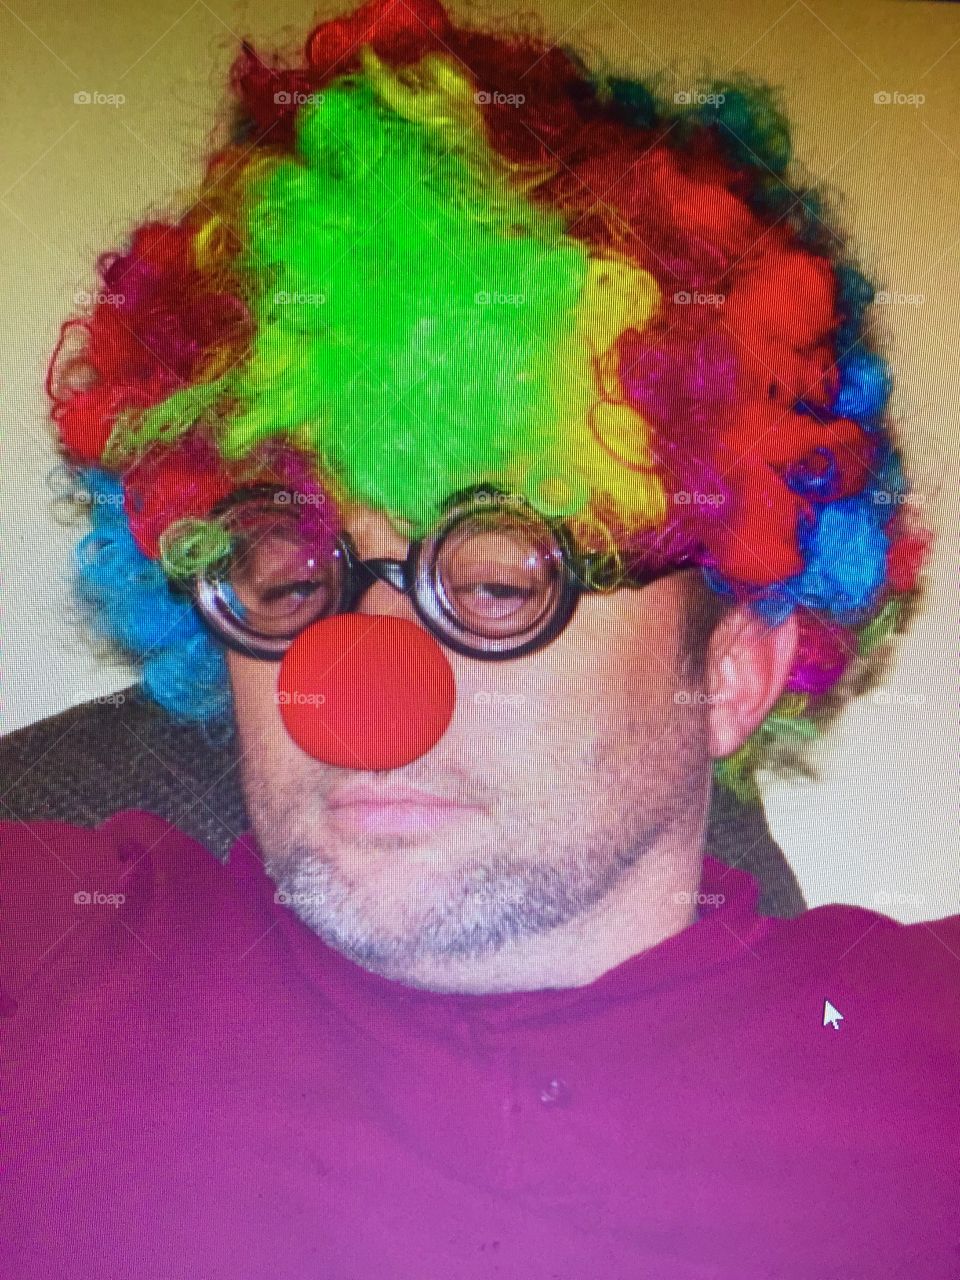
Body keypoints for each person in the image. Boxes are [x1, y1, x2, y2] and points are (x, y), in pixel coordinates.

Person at [2, 0, 956, 1275]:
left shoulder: (923, 1063)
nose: (354, 685)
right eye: (290, 570)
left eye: (503, 578)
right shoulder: (59, 955)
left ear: (733, 672)